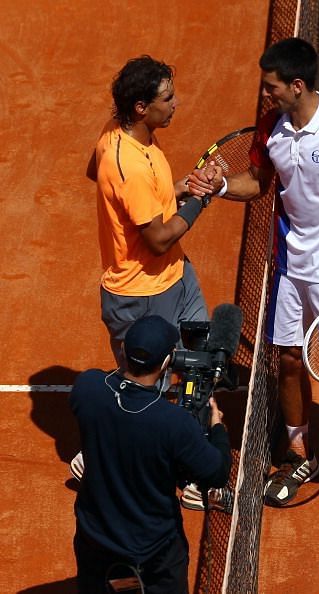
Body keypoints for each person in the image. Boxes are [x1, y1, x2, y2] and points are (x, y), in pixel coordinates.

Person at [187, 38, 319, 526]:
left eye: (271, 87)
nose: (265, 95)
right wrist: (219, 185)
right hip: (292, 268)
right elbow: (258, 184)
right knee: (286, 362)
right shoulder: (272, 128)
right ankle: (301, 454)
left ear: (296, 85)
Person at [70, 55, 213, 492]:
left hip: (175, 276)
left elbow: (100, 174)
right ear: (140, 107)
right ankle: (97, 454)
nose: (177, 104)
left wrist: (175, 190)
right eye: (167, 99)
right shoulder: (127, 163)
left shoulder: (121, 137)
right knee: (140, 392)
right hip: (141, 294)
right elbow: (158, 239)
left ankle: (192, 454)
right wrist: (200, 200)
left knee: (201, 359)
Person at [70, 315, 232, 593]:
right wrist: (217, 427)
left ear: (123, 351)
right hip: (152, 552)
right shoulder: (172, 422)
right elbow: (216, 472)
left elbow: (117, 408)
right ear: (168, 361)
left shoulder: (88, 388)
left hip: (96, 541)